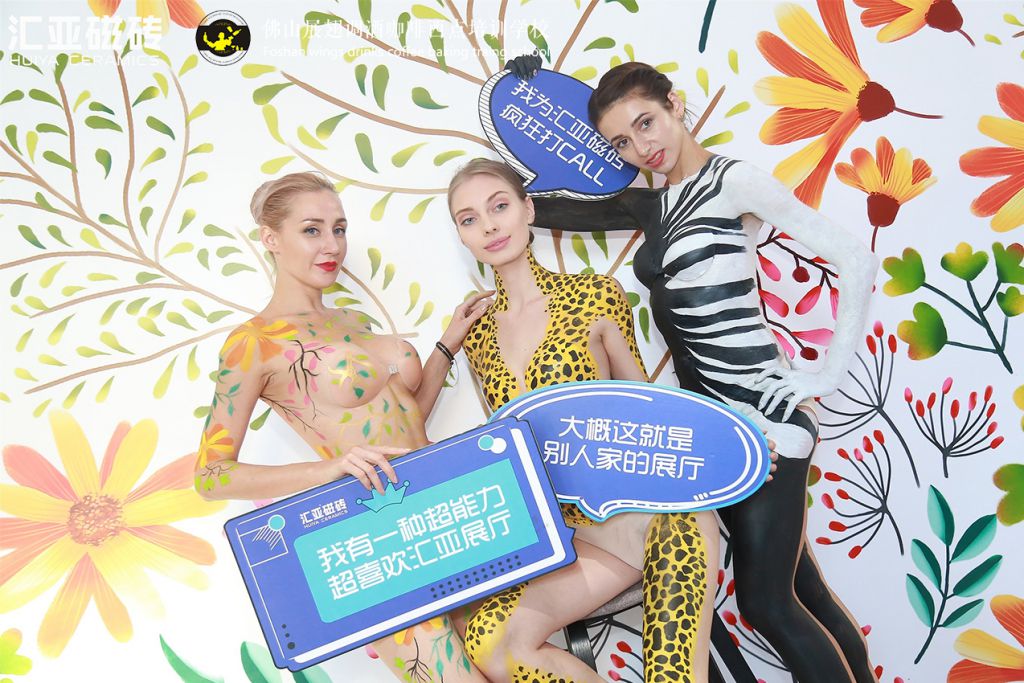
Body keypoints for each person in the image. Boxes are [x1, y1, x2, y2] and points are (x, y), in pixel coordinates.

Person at [506, 56, 881, 683]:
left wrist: (823, 377)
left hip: (764, 420)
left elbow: (855, 258)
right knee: (803, 591)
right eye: (620, 142)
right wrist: (522, 95)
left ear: (675, 106)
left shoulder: (733, 181)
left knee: (766, 603)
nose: (641, 147)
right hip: (713, 431)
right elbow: (542, 209)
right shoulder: (653, 206)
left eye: (646, 123)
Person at [193, 171, 496, 683]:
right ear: (271, 239)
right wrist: (331, 469)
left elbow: (402, 427)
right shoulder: (254, 344)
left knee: (509, 662)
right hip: (379, 536)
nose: (332, 245)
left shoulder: (352, 323)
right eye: (312, 230)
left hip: (444, 515)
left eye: (339, 228)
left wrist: (446, 346)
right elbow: (210, 475)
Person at [449, 158, 721, 683]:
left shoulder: (595, 294)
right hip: (581, 535)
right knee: (493, 644)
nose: (488, 225)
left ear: (528, 209)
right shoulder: (477, 337)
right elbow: (512, 451)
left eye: (499, 206)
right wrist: (446, 345)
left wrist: (730, 449)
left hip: (654, 510)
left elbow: (648, 408)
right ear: (462, 236)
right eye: (469, 218)